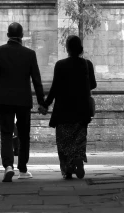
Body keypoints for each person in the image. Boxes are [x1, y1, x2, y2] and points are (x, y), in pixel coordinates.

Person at [0, 22, 45, 182]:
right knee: (23, 134)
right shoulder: (29, 54)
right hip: (23, 100)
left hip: (4, 99)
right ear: (21, 36)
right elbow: (36, 80)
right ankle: (22, 169)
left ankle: (8, 166)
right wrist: (41, 102)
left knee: (6, 133)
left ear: (8, 35)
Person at [40, 35, 96, 180]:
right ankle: (78, 157)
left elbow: (54, 89)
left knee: (64, 142)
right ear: (81, 49)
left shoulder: (60, 65)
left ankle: (68, 168)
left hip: (63, 111)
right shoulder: (87, 64)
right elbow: (93, 84)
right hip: (81, 110)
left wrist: (45, 104)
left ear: (67, 49)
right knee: (79, 139)